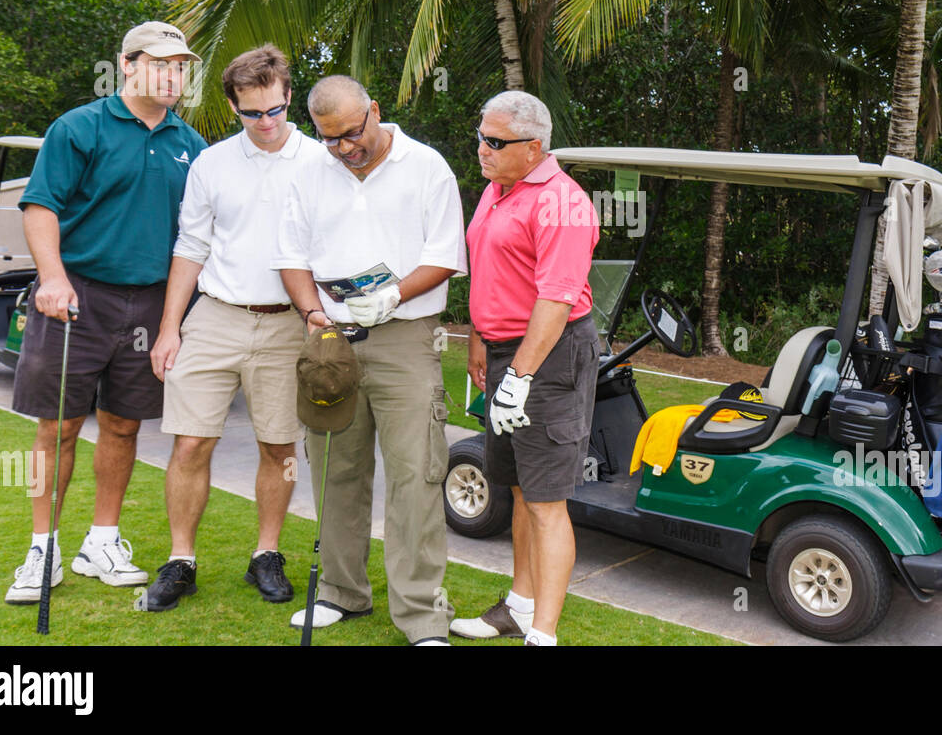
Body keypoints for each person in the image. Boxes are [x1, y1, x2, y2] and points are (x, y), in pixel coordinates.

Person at [5, 21, 207, 604]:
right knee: (58, 428)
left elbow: (192, 239)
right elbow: (41, 205)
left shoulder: (189, 145)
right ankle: (42, 549)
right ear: (127, 64)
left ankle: (103, 539)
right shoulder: (79, 128)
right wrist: (51, 276)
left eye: (181, 67)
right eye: (161, 63)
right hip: (76, 298)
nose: (173, 76)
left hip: (148, 302)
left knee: (123, 425)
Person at [272, 75, 467, 645]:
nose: (344, 148)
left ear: (374, 111)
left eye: (352, 134)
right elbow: (290, 256)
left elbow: (445, 255)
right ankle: (341, 592)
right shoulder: (309, 172)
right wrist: (311, 313)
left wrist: (394, 294)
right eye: (330, 139)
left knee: (415, 475)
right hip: (331, 338)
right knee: (335, 468)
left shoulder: (427, 166)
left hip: (406, 335)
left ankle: (423, 616)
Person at [141, 44, 328, 611]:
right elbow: (191, 246)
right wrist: (169, 326)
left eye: (274, 110)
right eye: (252, 114)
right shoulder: (210, 163)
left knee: (279, 446)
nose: (266, 124)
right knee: (192, 440)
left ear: (289, 97)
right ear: (232, 107)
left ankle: (266, 555)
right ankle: (181, 561)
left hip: (287, 325)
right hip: (216, 315)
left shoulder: (323, 161)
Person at [450, 90, 600, 647]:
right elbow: (490, 274)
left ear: (534, 147)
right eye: (480, 138)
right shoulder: (496, 191)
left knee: (547, 502)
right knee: (516, 488)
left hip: (550, 354)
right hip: (504, 349)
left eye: (495, 142)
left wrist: (521, 376)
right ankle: (517, 606)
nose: (482, 150)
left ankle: (543, 634)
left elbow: (555, 300)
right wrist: (479, 344)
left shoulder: (563, 202)